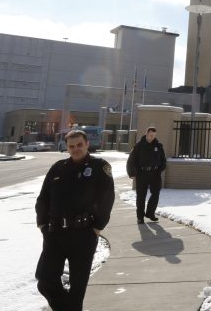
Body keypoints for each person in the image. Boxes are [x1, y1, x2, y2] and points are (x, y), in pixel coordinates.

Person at [35, 129, 115, 311]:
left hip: (83, 234)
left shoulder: (99, 167)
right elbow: (43, 198)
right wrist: (42, 224)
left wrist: (97, 227)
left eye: (79, 145)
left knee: (77, 288)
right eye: (71, 146)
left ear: (87, 144)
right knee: (44, 280)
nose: (75, 149)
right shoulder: (58, 167)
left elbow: (107, 198)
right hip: (55, 233)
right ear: (67, 147)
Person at [126, 126, 167, 224]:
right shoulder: (139, 146)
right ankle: (140, 217)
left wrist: (160, 169)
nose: (152, 137)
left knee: (156, 193)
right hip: (142, 173)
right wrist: (131, 173)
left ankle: (150, 213)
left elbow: (163, 160)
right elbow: (131, 160)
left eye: (154, 135)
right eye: (151, 135)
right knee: (141, 196)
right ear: (147, 134)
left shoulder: (158, 146)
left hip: (155, 174)